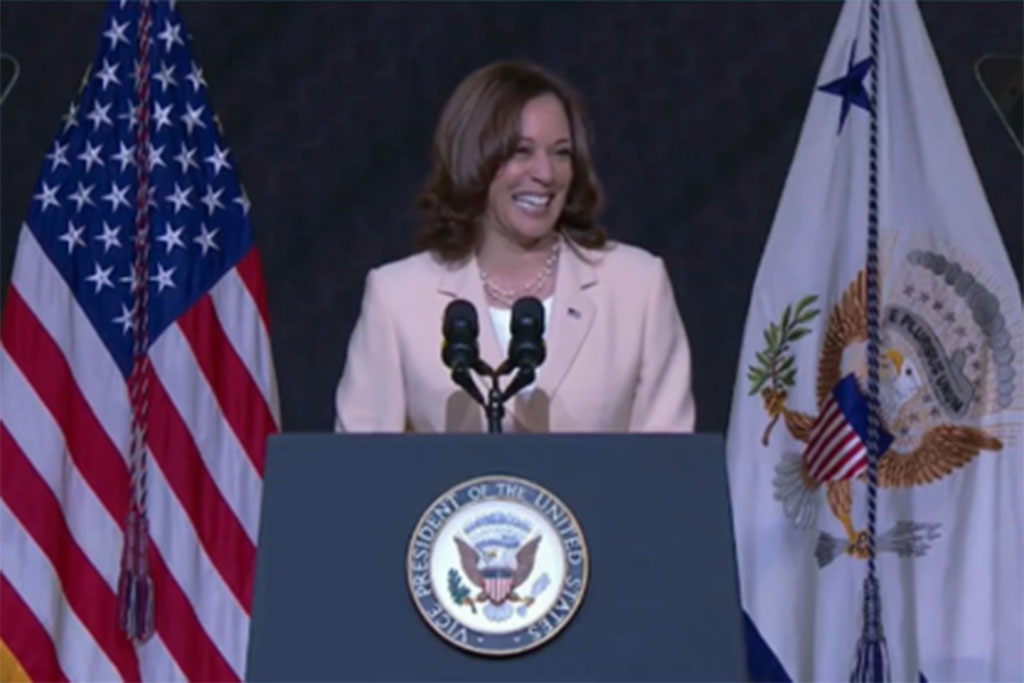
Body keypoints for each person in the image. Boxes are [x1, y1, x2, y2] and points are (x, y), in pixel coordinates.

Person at [334, 60, 696, 433]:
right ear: (473, 157)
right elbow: (358, 473)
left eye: (561, 153)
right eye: (521, 151)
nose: (545, 173)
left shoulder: (637, 286)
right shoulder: (397, 296)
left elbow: (668, 470)